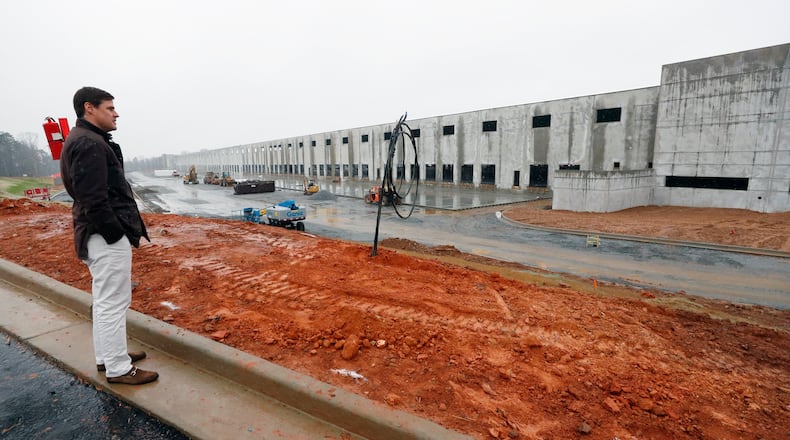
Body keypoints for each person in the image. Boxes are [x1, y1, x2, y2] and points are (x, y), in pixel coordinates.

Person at [60, 86, 158, 385]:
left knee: (105, 300)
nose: (116, 113)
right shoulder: (89, 144)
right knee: (114, 301)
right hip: (103, 236)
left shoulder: (84, 140)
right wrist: (115, 234)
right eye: (110, 108)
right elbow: (93, 198)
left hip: (95, 233)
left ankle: (109, 357)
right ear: (89, 108)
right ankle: (118, 367)